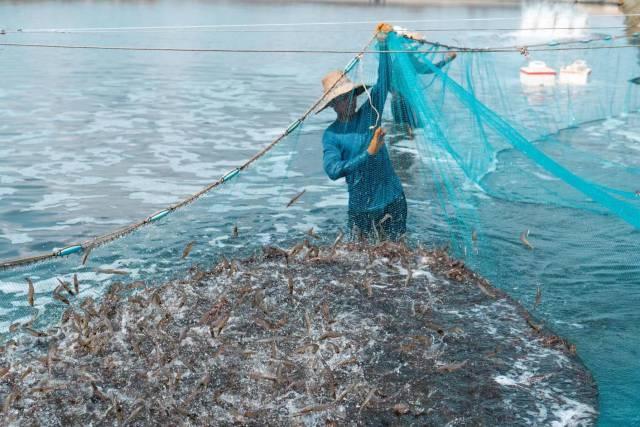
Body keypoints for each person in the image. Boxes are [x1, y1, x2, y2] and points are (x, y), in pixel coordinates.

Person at [316, 23, 406, 241]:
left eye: (351, 95)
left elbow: (384, 80)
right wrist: (369, 152)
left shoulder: (370, 113)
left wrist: (382, 45)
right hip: (361, 209)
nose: (349, 101)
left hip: (393, 199)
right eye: (342, 99)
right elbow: (333, 171)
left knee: (398, 258)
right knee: (362, 267)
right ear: (332, 105)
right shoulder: (332, 135)